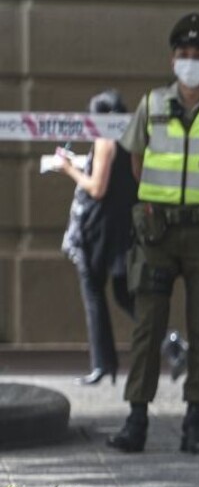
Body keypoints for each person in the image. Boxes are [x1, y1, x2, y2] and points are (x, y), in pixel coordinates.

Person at [107, 13, 199, 454]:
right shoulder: (151, 105)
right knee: (148, 327)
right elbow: (136, 160)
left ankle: (196, 421)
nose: (191, 62)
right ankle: (137, 420)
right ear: (173, 59)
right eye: (184, 55)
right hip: (158, 232)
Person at [56, 90, 137, 386]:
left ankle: (102, 363)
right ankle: (169, 340)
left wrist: (68, 170)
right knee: (123, 293)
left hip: (98, 228)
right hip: (121, 225)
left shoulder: (105, 140)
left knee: (93, 291)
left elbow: (97, 187)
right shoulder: (129, 139)